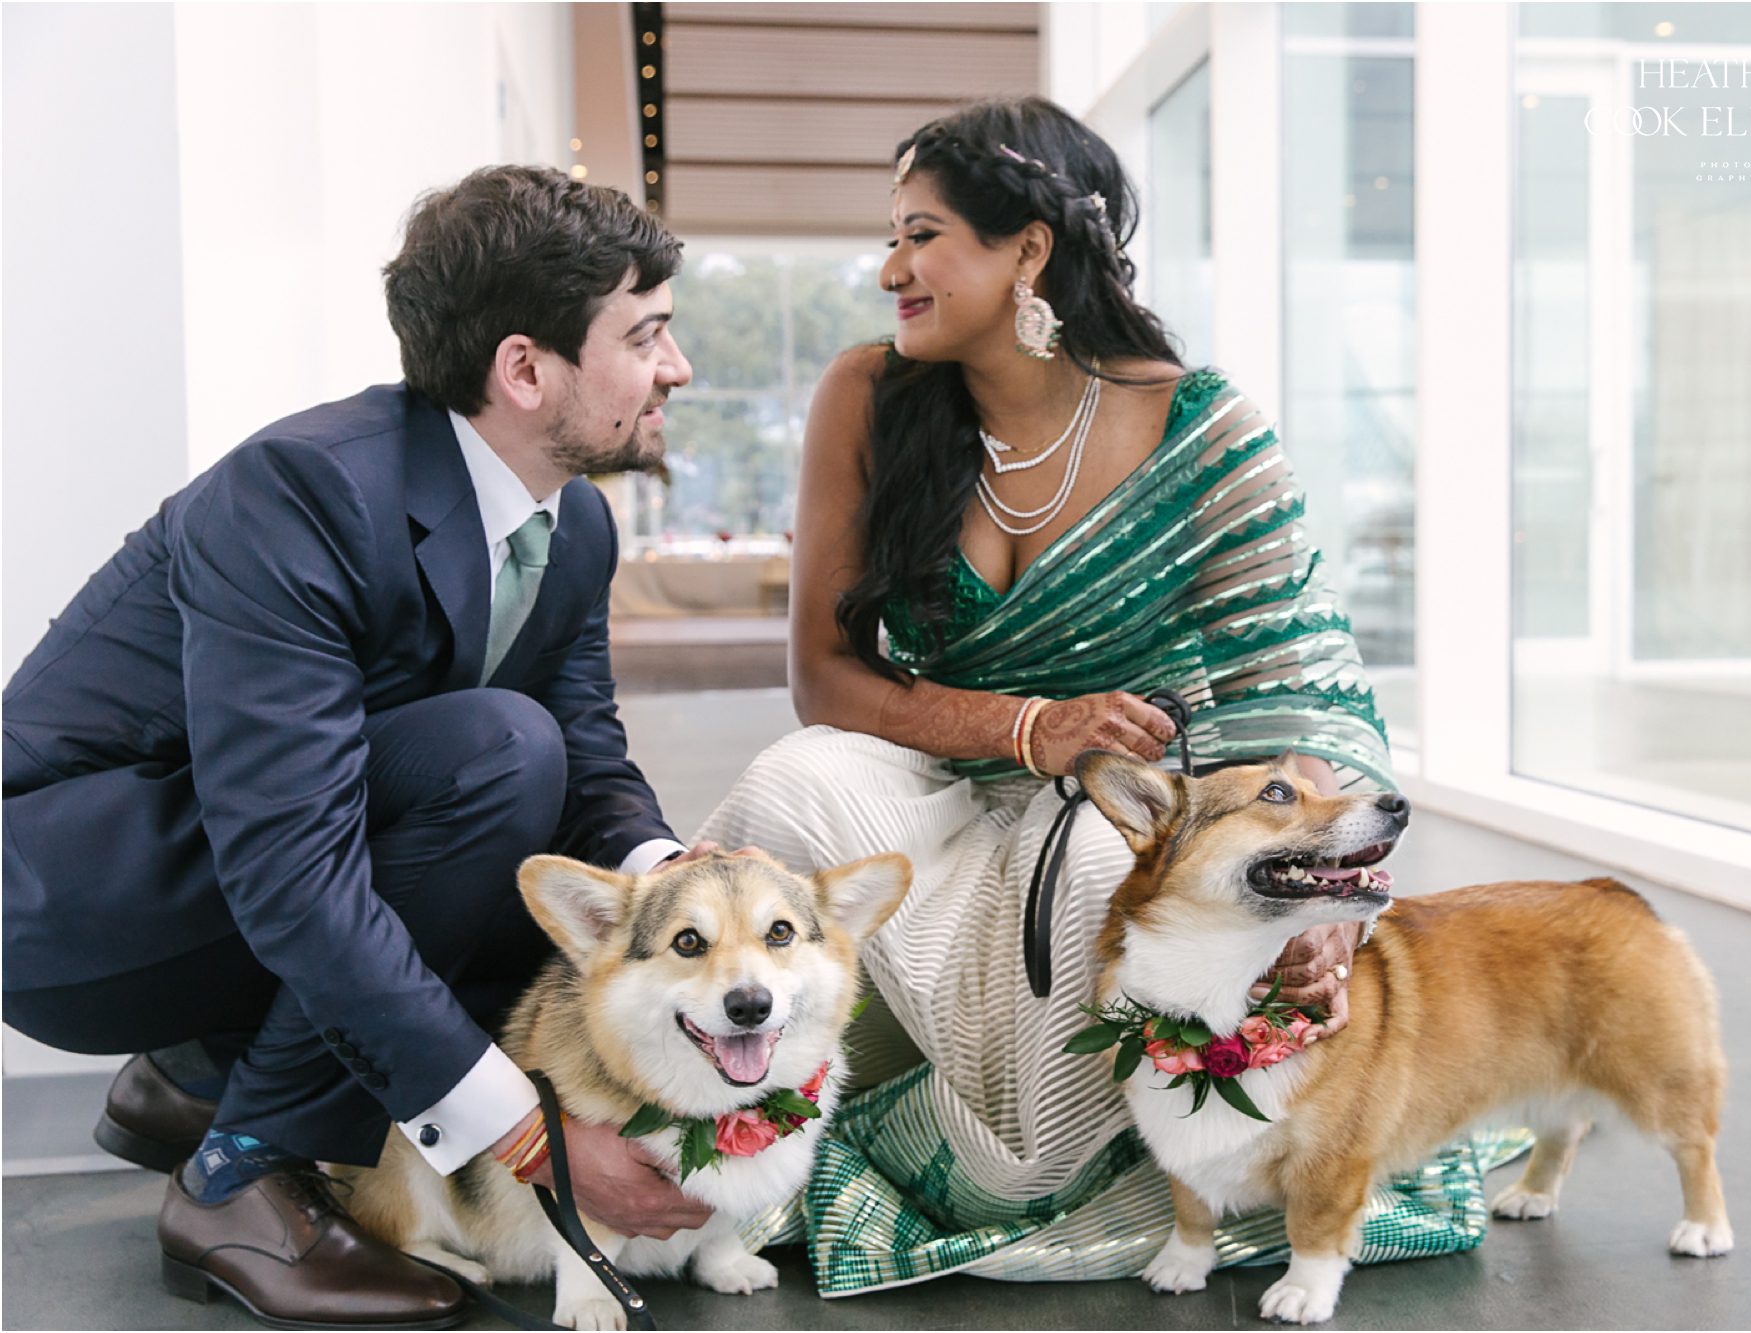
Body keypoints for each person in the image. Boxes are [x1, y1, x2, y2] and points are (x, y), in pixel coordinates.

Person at [696, 98, 1522, 1293]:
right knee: (787, 782)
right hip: (929, 778)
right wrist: (1025, 726)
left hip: (1114, 807)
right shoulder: (867, 396)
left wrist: (1327, 907)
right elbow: (822, 678)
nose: (890, 269)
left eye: (921, 236)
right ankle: (758, 1118)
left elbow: (1302, 685)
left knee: (1098, 922)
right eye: (892, 236)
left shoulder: (1203, 431)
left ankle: (1019, 1153)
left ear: (1027, 250)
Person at [2, 165, 722, 1328]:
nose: (674, 370)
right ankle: (237, 1174)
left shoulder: (572, 518)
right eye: (646, 338)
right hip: (71, 896)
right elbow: (293, 871)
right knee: (498, 758)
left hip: (252, 865)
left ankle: (197, 1074)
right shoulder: (303, 492)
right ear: (526, 369)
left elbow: (589, 745)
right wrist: (529, 1136)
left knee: (546, 904)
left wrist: (670, 876)